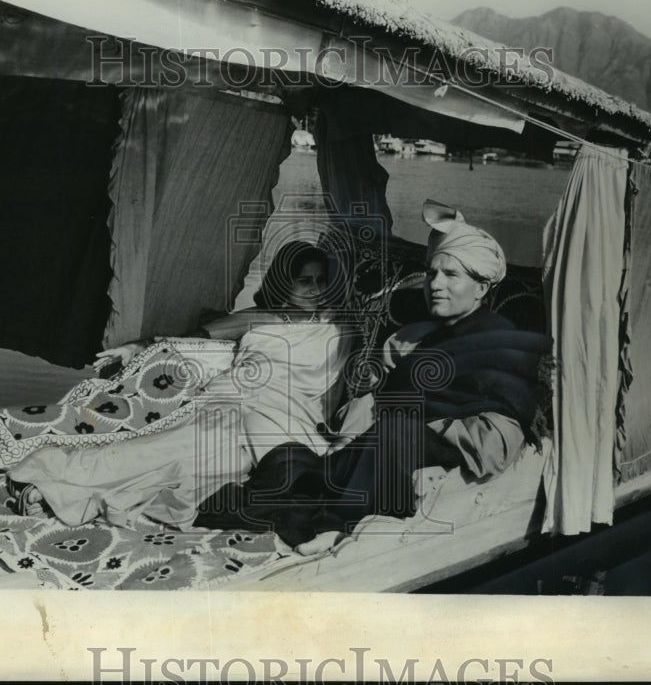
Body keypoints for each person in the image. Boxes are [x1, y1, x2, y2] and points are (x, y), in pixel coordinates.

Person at [194, 200, 553, 553]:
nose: (436, 284)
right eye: (431, 273)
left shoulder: (505, 346)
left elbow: (495, 446)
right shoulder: (409, 338)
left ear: (482, 287)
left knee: (393, 433)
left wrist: (422, 431)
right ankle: (316, 507)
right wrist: (354, 426)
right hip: (376, 451)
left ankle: (333, 527)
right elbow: (368, 400)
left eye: (452, 275)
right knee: (290, 459)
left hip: (419, 458)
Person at [5, 240, 353, 531]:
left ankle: (60, 498)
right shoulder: (258, 317)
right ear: (282, 282)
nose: (315, 289)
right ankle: (50, 475)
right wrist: (137, 347)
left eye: (322, 280)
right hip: (228, 405)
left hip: (278, 422)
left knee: (196, 471)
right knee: (161, 451)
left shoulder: (339, 330)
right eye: (304, 280)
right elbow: (193, 339)